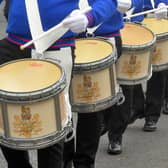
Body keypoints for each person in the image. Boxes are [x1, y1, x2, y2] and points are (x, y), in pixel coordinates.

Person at [0, 0, 119, 168]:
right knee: (4, 120)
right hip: (13, 44)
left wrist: (89, 17)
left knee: (52, 124)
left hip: (56, 46)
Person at [62, 1, 144, 168]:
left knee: (92, 107)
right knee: (61, 107)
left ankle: (85, 161)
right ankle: (65, 159)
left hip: (104, 36)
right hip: (62, 40)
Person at [103, 0, 168, 155]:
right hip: (107, 30)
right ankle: (135, 108)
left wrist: (161, 3)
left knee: (129, 79)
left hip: (137, 25)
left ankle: (116, 135)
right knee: (114, 82)